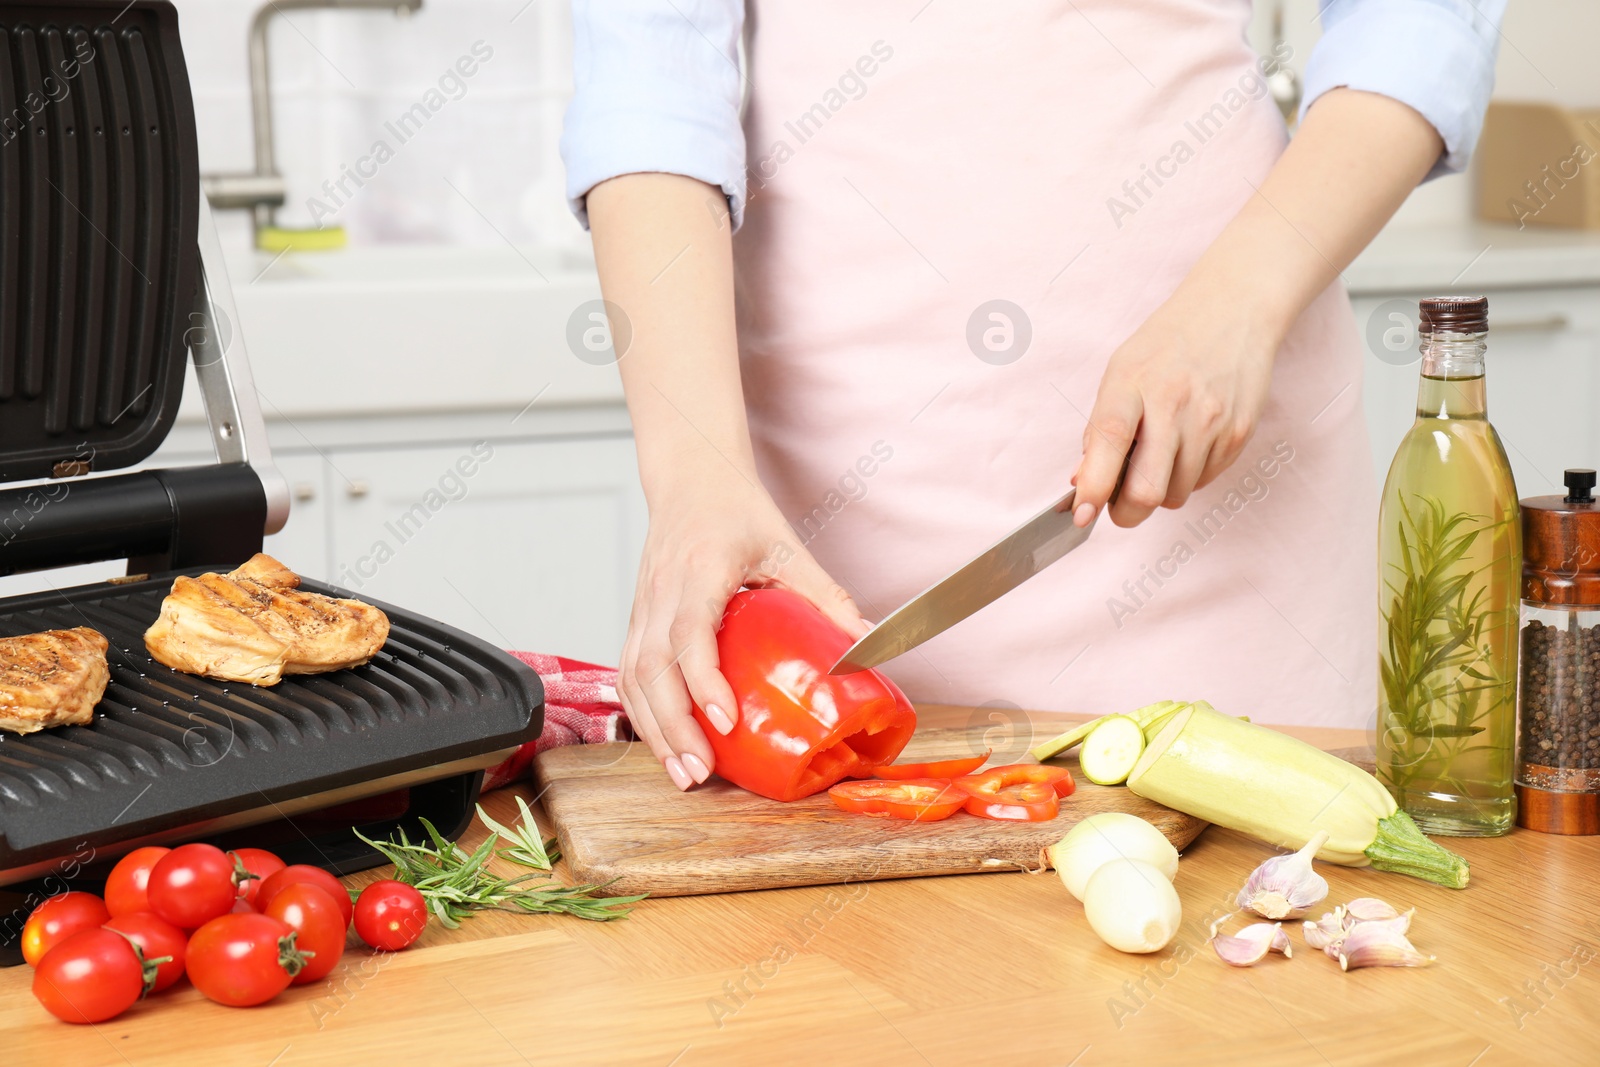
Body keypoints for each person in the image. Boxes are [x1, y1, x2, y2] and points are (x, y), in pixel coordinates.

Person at [561, 0, 1507, 789]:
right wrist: (695, 470)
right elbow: (650, 69)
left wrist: (1241, 306)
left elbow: (1415, 19)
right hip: (827, 556)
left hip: (1222, 483)